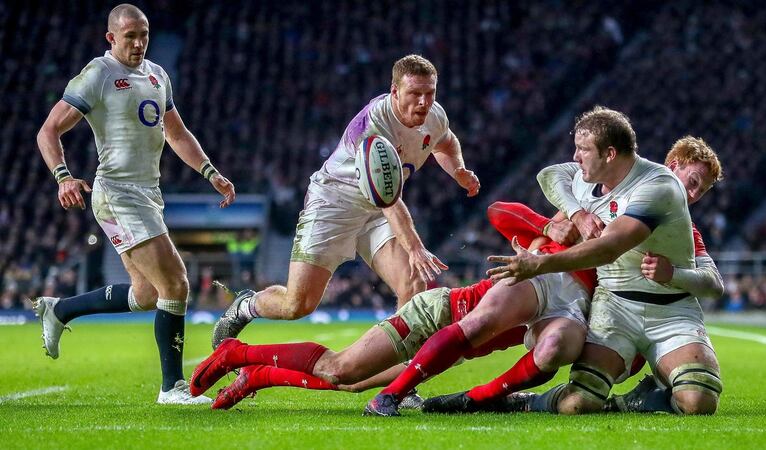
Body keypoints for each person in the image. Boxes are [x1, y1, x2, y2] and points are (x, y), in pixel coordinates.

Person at [423, 135, 725, 414]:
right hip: (612, 308)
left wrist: (674, 274)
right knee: (577, 403)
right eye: (694, 181)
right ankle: (520, 401)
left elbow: (714, 283)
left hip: (665, 313)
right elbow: (550, 176)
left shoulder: (684, 230)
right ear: (674, 166)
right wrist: (572, 214)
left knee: (699, 399)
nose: (694, 194)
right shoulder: (612, 189)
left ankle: (629, 401)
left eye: (702, 190)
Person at [33, 4, 235, 404]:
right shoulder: (99, 74)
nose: (139, 43)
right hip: (117, 194)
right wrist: (62, 176)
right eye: (130, 36)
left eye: (144, 34)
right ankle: (172, 387)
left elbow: (177, 134)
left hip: (149, 194)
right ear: (111, 38)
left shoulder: (158, 75)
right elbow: (49, 130)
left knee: (146, 293)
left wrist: (210, 172)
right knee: (176, 282)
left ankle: (60, 310)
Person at [189, 203, 572, 410]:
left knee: (351, 380)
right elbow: (499, 211)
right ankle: (236, 354)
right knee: (340, 368)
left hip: (452, 349)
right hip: (437, 317)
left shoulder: (582, 296)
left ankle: (256, 377)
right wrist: (546, 226)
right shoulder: (554, 250)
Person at [211, 54, 480, 348]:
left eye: (429, 93)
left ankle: (400, 385)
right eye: (414, 93)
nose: (423, 102)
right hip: (333, 205)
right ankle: (245, 306)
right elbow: (389, 198)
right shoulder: (374, 126)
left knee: (412, 284)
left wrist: (458, 170)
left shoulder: (434, 115)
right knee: (297, 304)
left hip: (376, 210)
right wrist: (414, 247)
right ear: (394, 91)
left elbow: (446, 140)